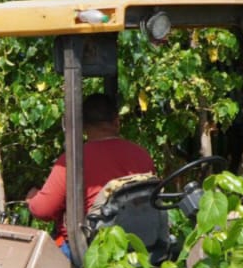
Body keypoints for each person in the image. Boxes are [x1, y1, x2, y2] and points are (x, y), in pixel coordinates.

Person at [26, 92, 154, 259]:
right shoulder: (142, 155)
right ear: (116, 121)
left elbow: (43, 210)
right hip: (140, 243)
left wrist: (32, 199)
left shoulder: (71, 160)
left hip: (93, 250)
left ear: (83, 126)